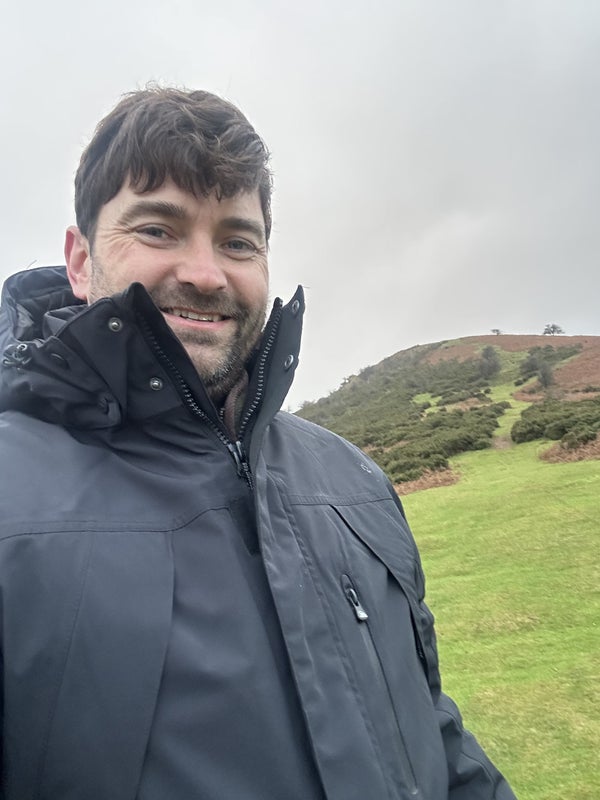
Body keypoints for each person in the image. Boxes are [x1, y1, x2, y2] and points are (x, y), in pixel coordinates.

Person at [0, 87, 517, 800]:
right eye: (158, 229)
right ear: (81, 260)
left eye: (237, 241)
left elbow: (431, 732)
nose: (205, 273)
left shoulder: (355, 481)